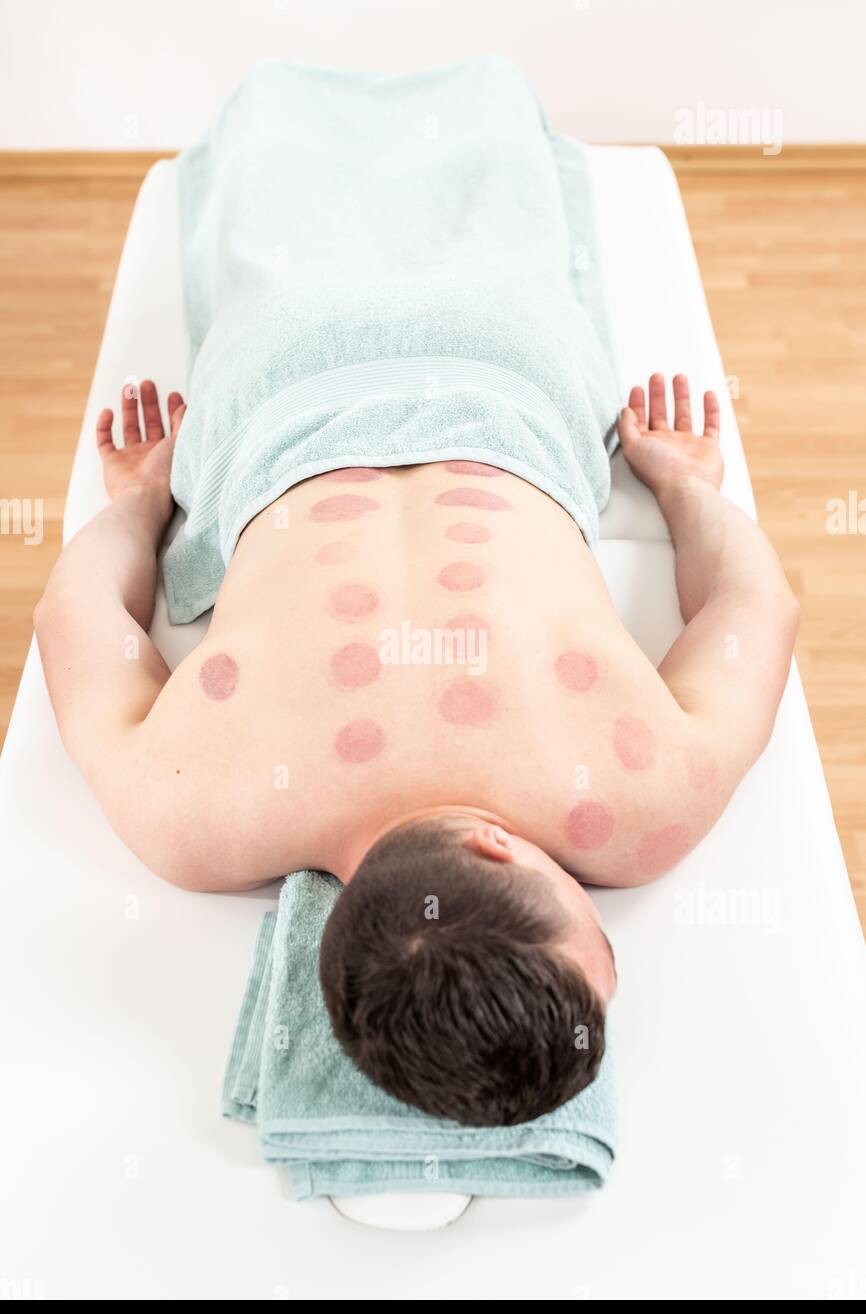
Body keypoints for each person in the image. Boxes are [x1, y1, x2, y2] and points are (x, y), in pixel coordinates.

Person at [34, 371, 798, 1125]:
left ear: (494, 847)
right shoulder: (183, 810)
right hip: (273, 391)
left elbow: (757, 604)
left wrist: (687, 486)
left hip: (517, 385)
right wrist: (139, 502)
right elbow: (73, 615)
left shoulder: (656, 800)